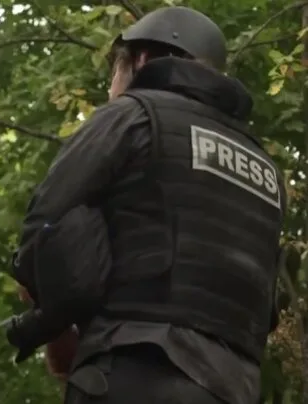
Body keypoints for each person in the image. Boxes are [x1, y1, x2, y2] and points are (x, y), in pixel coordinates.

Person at [16, 6, 286, 404]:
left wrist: (51, 327)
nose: (110, 89)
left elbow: (43, 229)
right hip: (235, 387)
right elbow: (267, 307)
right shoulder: (266, 169)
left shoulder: (130, 115)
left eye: (114, 73)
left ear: (141, 60)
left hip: (130, 368)